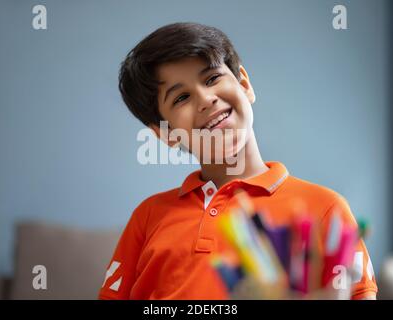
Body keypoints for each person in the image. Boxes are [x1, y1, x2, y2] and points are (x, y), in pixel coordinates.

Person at [99, 22, 378, 300]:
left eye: (211, 79)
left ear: (244, 84)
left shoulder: (326, 208)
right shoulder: (148, 216)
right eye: (182, 97)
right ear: (165, 133)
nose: (206, 99)